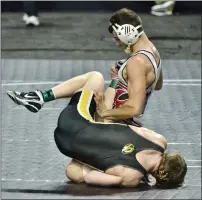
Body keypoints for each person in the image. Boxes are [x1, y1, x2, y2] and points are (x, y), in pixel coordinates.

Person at [7, 72, 187, 188]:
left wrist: (115, 84)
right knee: (75, 173)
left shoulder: (158, 141)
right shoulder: (132, 178)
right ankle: (84, 153)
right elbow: (90, 178)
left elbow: (118, 124)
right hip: (65, 144)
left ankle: (39, 97)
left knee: (95, 78)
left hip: (74, 121)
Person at [7, 8, 163, 127]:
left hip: (115, 121)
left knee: (95, 77)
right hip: (118, 115)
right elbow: (158, 85)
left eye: (117, 38)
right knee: (95, 77)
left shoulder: (137, 62)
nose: (116, 43)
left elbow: (135, 108)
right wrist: (120, 79)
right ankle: (39, 97)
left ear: (127, 33)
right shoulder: (153, 51)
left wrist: (104, 111)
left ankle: (39, 98)